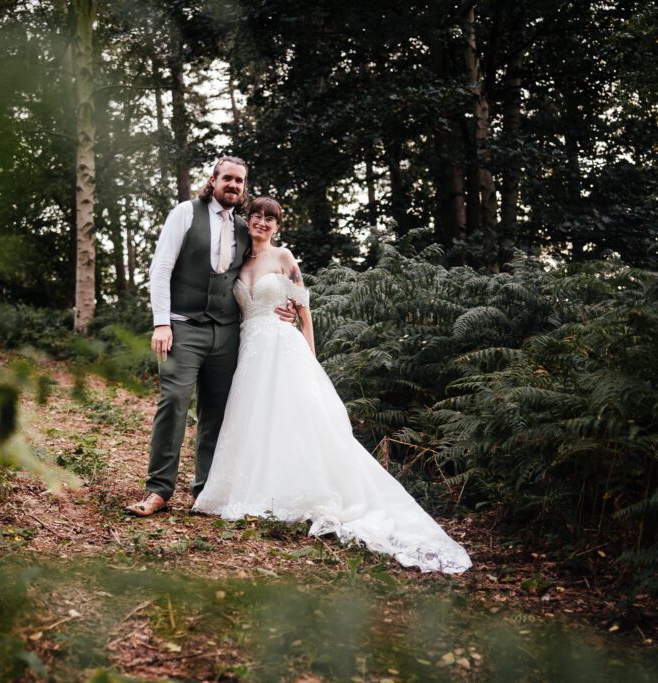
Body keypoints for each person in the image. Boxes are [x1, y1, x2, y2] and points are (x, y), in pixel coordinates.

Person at [193, 197, 472, 574]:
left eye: (269, 218)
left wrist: (309, 356)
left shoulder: (284, 257)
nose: (261, 222)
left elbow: (303, 309)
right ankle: (258, 489)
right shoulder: (238, 263)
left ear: (277, 226)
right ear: (247, 221)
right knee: (257, 421)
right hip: (251, 350)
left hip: (283, 344)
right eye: (256, 216)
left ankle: (311, 490)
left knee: (300, 418)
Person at [125, 158, 294, 517]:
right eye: (228, 178)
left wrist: (286, 305)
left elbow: (267, 268)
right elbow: (161, 269)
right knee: (173, 401)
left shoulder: (244, 229)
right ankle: (158, 490)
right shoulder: (186, 213)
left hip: (228, 332)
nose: (234, 185)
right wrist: (161, 322)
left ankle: (205, 491)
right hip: (183, 326)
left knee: (217, 413)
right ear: (213, 180)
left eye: (240, 181)